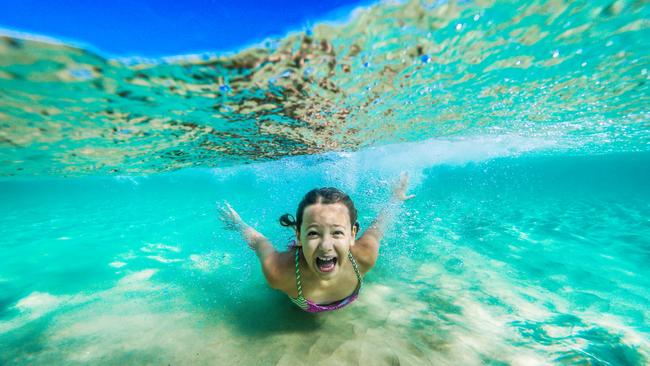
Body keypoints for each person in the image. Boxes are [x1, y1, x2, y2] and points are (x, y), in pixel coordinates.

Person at [218, 174, 414, 313]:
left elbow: (379, 226)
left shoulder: (364, 256)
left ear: (353, 234)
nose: (326, 245)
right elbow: (260, 243)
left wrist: (396, 198)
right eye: (313, 233)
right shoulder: (279, 273)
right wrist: (238, 224)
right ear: (298, 234)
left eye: (337, 232)